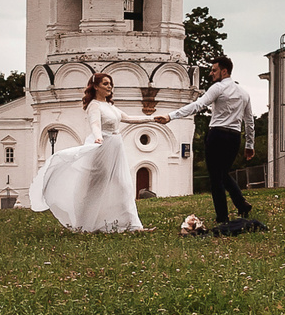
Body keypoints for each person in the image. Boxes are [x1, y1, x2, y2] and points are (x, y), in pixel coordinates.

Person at [27, 71, 153, 232]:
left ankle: (134, 226)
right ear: (95, 86)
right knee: (95, 186)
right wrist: (98, 137)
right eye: (105, 84)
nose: (109, 87)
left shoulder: (110, 106)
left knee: (124, 185)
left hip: (116, 146)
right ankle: (83, 223)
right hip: (103, 147)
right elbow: (95, 124)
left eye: (110, 84)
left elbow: (128, 118)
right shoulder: (94, 105)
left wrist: (153, 119)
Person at [158, 54, 254, 224]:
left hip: (217, 135)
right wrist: (249, 144)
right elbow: (249, 121)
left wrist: (171, 116)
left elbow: (198, 105)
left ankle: (222, 217)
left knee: (216, 177)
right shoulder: (244, 93)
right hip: (234, 137)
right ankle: (241, 204)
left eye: (214, 70)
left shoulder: (218, 88)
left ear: (224, 71)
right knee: (223, 173)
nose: (211, 73)